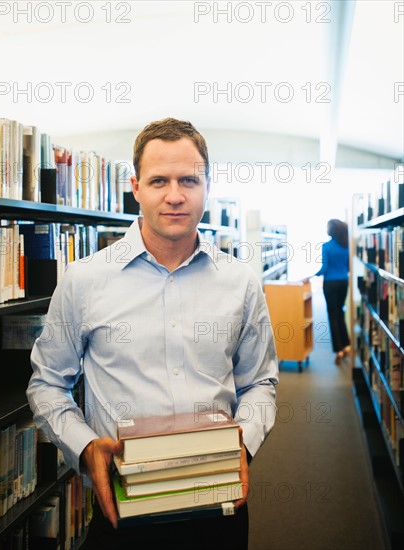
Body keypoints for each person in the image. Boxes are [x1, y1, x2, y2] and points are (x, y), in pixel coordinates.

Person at [26, 118, 279, 549]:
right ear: (136, 187)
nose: (175, 195)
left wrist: (244, 442)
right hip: (124, 508)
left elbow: (260, 382)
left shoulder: (240, 282)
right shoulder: (84, 281)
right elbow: (47, 384)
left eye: (189, 180)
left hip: (219, 501)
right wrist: (85, 447)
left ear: (207, 186)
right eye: (159, 180)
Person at [314, 218, 350, 365]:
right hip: (343, 282)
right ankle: (346, 344)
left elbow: (324, 269)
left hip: (330, 284)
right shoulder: (346, 246)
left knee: (332, 315)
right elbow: (348, 266)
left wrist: (311, 276)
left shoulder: (327, 246)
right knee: (340, 312)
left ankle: (339, 349)